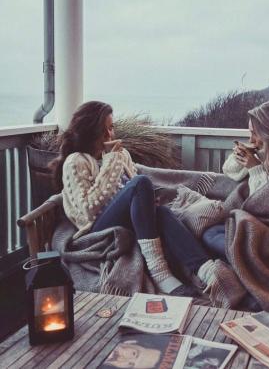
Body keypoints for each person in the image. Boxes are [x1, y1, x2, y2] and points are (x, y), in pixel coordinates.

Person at [50, 100, 210, 296]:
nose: (110, 135)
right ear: (89, 132)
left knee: (161, 212)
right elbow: (87, 211)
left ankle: (207, 272)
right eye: (103, 130)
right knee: (141, 182)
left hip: (125, 220)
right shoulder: (76, 161)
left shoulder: (120, 154)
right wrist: (112, 161)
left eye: (111, 128)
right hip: (97, 229)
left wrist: (147, 203)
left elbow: (129, 189)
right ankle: (160, 273)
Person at [160, 101, 269, 309]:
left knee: (208, 235)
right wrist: (241, 157)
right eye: (250, 133)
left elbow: (265, 205)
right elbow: (230, 171)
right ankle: (219, 273)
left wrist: (255, 169)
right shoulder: (266, 155)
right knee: (200, 230)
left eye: (256, 133)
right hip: (248, 223)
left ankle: (233, 281)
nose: (252, 139)